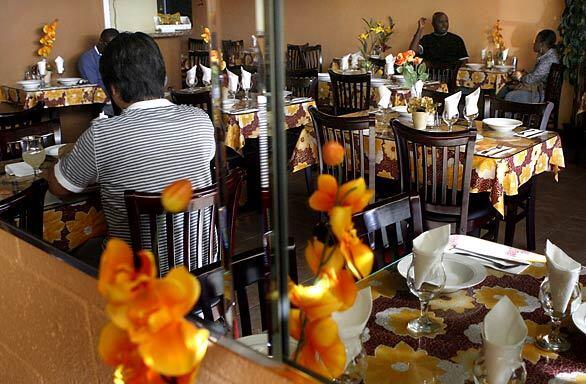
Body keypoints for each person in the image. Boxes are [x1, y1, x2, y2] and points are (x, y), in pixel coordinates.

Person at [49, 32, 216, 270]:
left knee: (75, 253)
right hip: (203, 277)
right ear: (164, 76)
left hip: (138, 285)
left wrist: (68, 154)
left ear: (113, 90)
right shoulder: (200, 120)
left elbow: (58, 187)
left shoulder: (101, 136)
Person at [498, 29, 559, 103]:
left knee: (510, 95)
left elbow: (530, 80)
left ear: (541, 44)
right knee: (506, 88)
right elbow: (536, 75)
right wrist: (524, 74)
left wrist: (520, 76)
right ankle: (496, 112)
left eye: (536, 41)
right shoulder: (548, 56)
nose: (534, 44)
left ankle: (502, 112)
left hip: (540, 96)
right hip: (537, 90)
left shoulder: (548, 60)